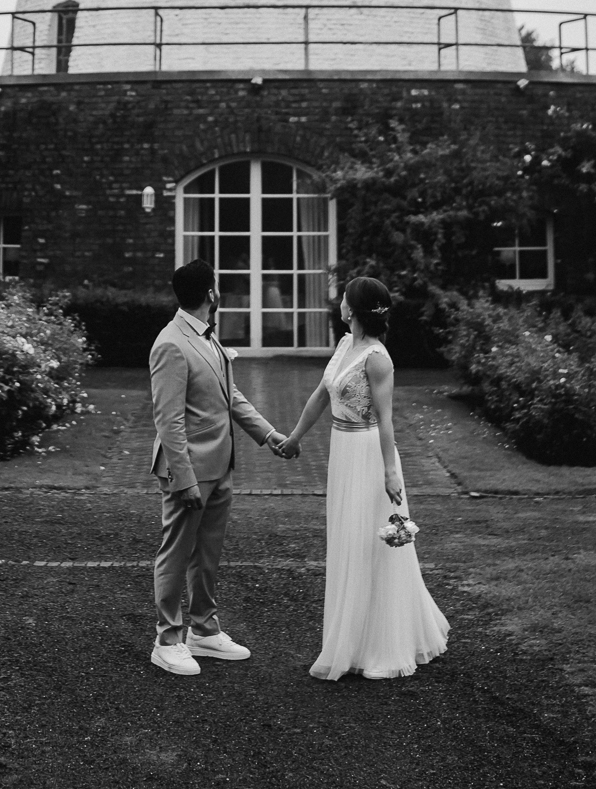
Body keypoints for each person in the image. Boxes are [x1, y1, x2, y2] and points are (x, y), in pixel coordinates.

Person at [281, 275, 449, 680]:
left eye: (343, 298)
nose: (339, 302)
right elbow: (321, 395)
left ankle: (381, 647)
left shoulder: (378, 358)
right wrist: (295, 437)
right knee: (347, 541)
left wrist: (390, 472)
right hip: (342, 451)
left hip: (369, 454)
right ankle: (351, 640)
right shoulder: (344, 345)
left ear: (353, 308)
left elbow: (386, 419)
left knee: (372, 546)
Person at [148, 256, 290, 676]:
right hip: (189, 470)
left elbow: (231, 396)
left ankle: (204, 631)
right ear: (211, 293)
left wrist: (269, 434)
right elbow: (168, 421)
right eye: (217, 283)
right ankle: (166, 639)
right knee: (176, 553)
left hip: (220, 465)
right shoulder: (170, 343)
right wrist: (184, 478)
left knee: (207, 554)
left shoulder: (207, 335)